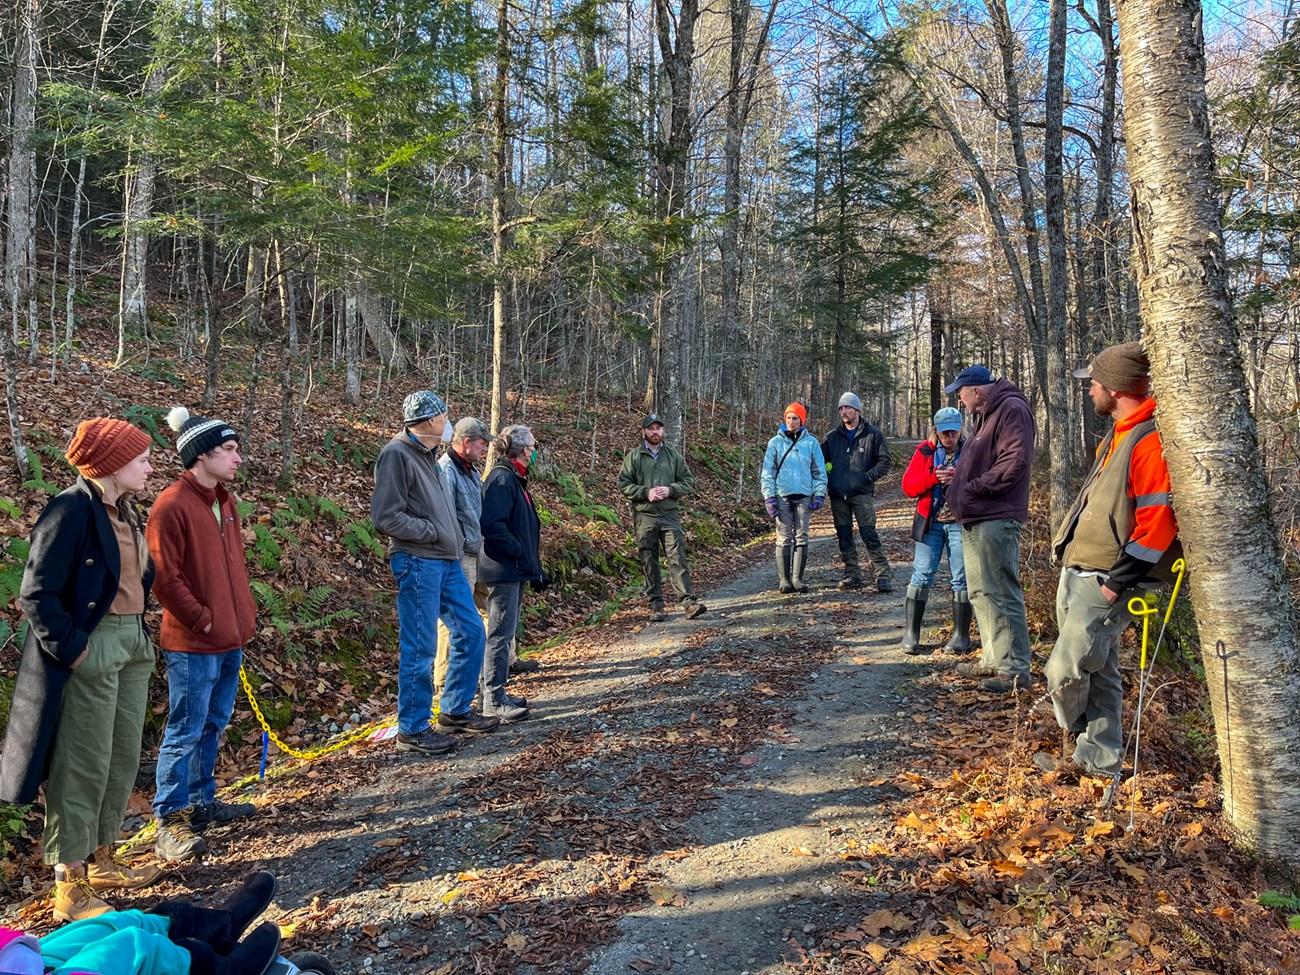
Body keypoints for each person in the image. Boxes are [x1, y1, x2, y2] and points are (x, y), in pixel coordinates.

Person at [0, 418, 165, 922]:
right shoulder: (69, 510)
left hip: (133, 642)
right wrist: (74, 650)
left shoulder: (127, 511)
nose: (150, 465)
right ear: (114, 463)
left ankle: (102, 859)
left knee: (119, 757)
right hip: (91, 647)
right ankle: (69, 884)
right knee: (83, 762)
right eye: (141, 458)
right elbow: (36, 593)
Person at [1038, 343, 1179, 782]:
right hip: (1081, 571)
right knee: (1099, 673)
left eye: (1094, 383)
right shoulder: (1119, 432)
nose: (1089, 391)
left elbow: (1158, 524)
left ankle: (1078, 739)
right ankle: (1098, 761)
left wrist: (1117, 583)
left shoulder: (1148, 441)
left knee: (1065, 668)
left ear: (1116, 389)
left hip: (1105, 579)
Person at [148, 408, 258, 864]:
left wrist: (239, 618)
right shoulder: (171, 505)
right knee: (185, 728)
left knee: (214, 722)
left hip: (230, 637)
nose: (237, 458)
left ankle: (201, 801)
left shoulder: (225, 502)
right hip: (193, 642)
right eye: (229, 450)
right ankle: (170, 819)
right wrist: (201, 618)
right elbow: (163, 576)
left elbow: (231, 570)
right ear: (201, 454)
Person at [371, 391, 499, 758]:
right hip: (417, 560)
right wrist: (430, 532)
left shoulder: (427, 456)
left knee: (472, 630)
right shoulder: (396, 454)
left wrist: (450, 541)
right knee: (421, 644)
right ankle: (412, 728)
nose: (447, 422)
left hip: (447, 561)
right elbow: (385, 516)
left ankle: (456, 708)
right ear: (428, 421)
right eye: (443, 416)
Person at [944, 365, 1036, 693]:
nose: (960, 398)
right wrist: (958, 481)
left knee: (1000, 591)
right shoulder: (985, 415)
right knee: (980, 592)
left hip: (996, 515)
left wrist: (972, 488)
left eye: (961, 393)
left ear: (977, 391)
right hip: (976, 516)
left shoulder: (1012, 409)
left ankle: (1014, 671)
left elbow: (1014, 462)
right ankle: (995, 661)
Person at [0, 872, 289, 975]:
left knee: (109, 925)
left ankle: (215, 927)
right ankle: (220, 971)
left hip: (17, 959)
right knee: (131, 945)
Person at [478, 424, 550, 722]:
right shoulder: (501, 479)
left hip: (513, 568)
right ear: (521, 450)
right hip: (501, 569)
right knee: (499, 634)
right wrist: (520, 551)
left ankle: (497, 693)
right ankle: (492, 699)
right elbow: (492, 525)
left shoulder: (514, 479)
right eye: (532, 447)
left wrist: (534, 567)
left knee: (504, 634)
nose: (534, 452)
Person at [617, 414, 706, 622]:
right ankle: (656, 605)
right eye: (651, 428)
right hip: (645, 516)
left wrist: (670, 489)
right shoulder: (634, 457)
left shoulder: (673, 456)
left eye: (658, 428)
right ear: (643, 432)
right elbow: (623, 483)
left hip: (669, 515)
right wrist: (645, 492)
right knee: (649, 560)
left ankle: (688, 603)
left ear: (663, 431)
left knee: (677, 558)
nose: (655, 432)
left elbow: (687, 480)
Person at [898, 407, 971, 655]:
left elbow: (981, 482)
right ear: (936, 432)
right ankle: (911, 634)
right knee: (921, 574)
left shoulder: (972, 449)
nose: (948, 437)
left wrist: (957, 480)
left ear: (961, 428)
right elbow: (908, 487)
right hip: (931, 523)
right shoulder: (925, 451)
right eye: (943, 433)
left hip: (960, 523)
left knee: (960, 577)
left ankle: (961, 636)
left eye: (952, 431)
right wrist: (933, 478)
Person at [434, 417, 492, 698]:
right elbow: (446, 516)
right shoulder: (446, 470)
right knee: (452, 620)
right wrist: (455, 552)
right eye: (482, 443)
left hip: (478, 553)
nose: (485, 448)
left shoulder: (470, 470)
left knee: (485, 612)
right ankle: (443, 680)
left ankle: (485, 670)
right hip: (460, 558)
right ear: (466, 442)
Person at [821, 392, 894, 593]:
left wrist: (867, 477)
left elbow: (885, 461)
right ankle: (852, 574)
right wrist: (830, 479)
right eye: (841, 408)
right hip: (838, 495)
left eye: (848, 408)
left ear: (857, 410)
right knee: (844, 535)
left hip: (862, 494)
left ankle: (882, 575)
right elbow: (820, 463)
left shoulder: (873, 434)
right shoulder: (831, 437)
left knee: (869, 534)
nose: (844, 412)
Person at [760, 403, 828, 593]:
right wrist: (769, 498)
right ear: (784, 419)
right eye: (789, 417)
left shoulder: (811, 443)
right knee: (783, 538)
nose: (791, 421)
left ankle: (797, 578)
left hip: (804, 497)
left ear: (802, 420)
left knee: (802, 537)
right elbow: (767, 473)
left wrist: (819, 493)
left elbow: (819, 471)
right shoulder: (775, 443)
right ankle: (784, 580)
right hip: (782, 496)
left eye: (795, 418)